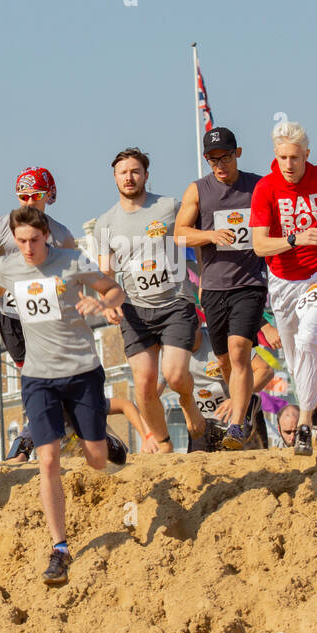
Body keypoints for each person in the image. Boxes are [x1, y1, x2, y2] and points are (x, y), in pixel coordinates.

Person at [0, 206, 125, 585]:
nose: (27, 248)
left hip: (81, 371)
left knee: (95, 460)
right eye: (20, 241)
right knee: (48, 461)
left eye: (33, 240)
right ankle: (59, 547)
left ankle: (100, 439)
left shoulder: (72, 261)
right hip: (39, 377)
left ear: (46, 235)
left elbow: (113, 288)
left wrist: (103, 303)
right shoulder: (10, 267)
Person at [250, 121, 317, 456]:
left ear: (306, 155)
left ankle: (306, 421)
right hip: (283, 281)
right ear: (276, 156)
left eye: (295, 158)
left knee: (310, 336)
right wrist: (295, 239)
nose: (288, 165)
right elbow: (259, 246)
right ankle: (309, 411)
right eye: (283, 157)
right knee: (296, 357)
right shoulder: (266, 189)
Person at [94, 147, 204, 452]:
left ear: (145, 175)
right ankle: (165, 444)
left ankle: (186, 399)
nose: (129, 177)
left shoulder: (169, 207)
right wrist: (108, 300)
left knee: (176, 375)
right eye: (123, 172)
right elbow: (106, 271)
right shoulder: (105, 223)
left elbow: (197, 236)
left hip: (175, 301)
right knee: (143, 384)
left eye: (135, 171)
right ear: (114, 177)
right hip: (134, 309)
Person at [173, 127, 269, 449]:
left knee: (241, 349)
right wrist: (211, 235)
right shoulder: (198, 190)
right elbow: (180, 234)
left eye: (225, 157)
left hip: (250, 282)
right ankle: (248, 405)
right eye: (212, 160)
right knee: (225, 361)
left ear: (237, 153)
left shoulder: (258, 186)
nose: (219, 165)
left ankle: (238, 425)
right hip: (213, 287)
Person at [0, 166, 78, 373]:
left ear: (48, 195)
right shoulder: (0, 226)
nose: (29, 202)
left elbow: (75, 276)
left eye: (35, 196)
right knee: (28, 373)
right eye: (23, 197)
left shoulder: (62, 235)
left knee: (51, 373)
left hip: (47, 315)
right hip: (12, 314)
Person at [6, 395, 151, 464]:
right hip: (74, 468)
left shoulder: (82, 406)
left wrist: (146, 437)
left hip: (112, 458)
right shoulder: (36, 424)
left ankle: (106, 444)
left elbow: (125, 404)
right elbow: (17, 456)